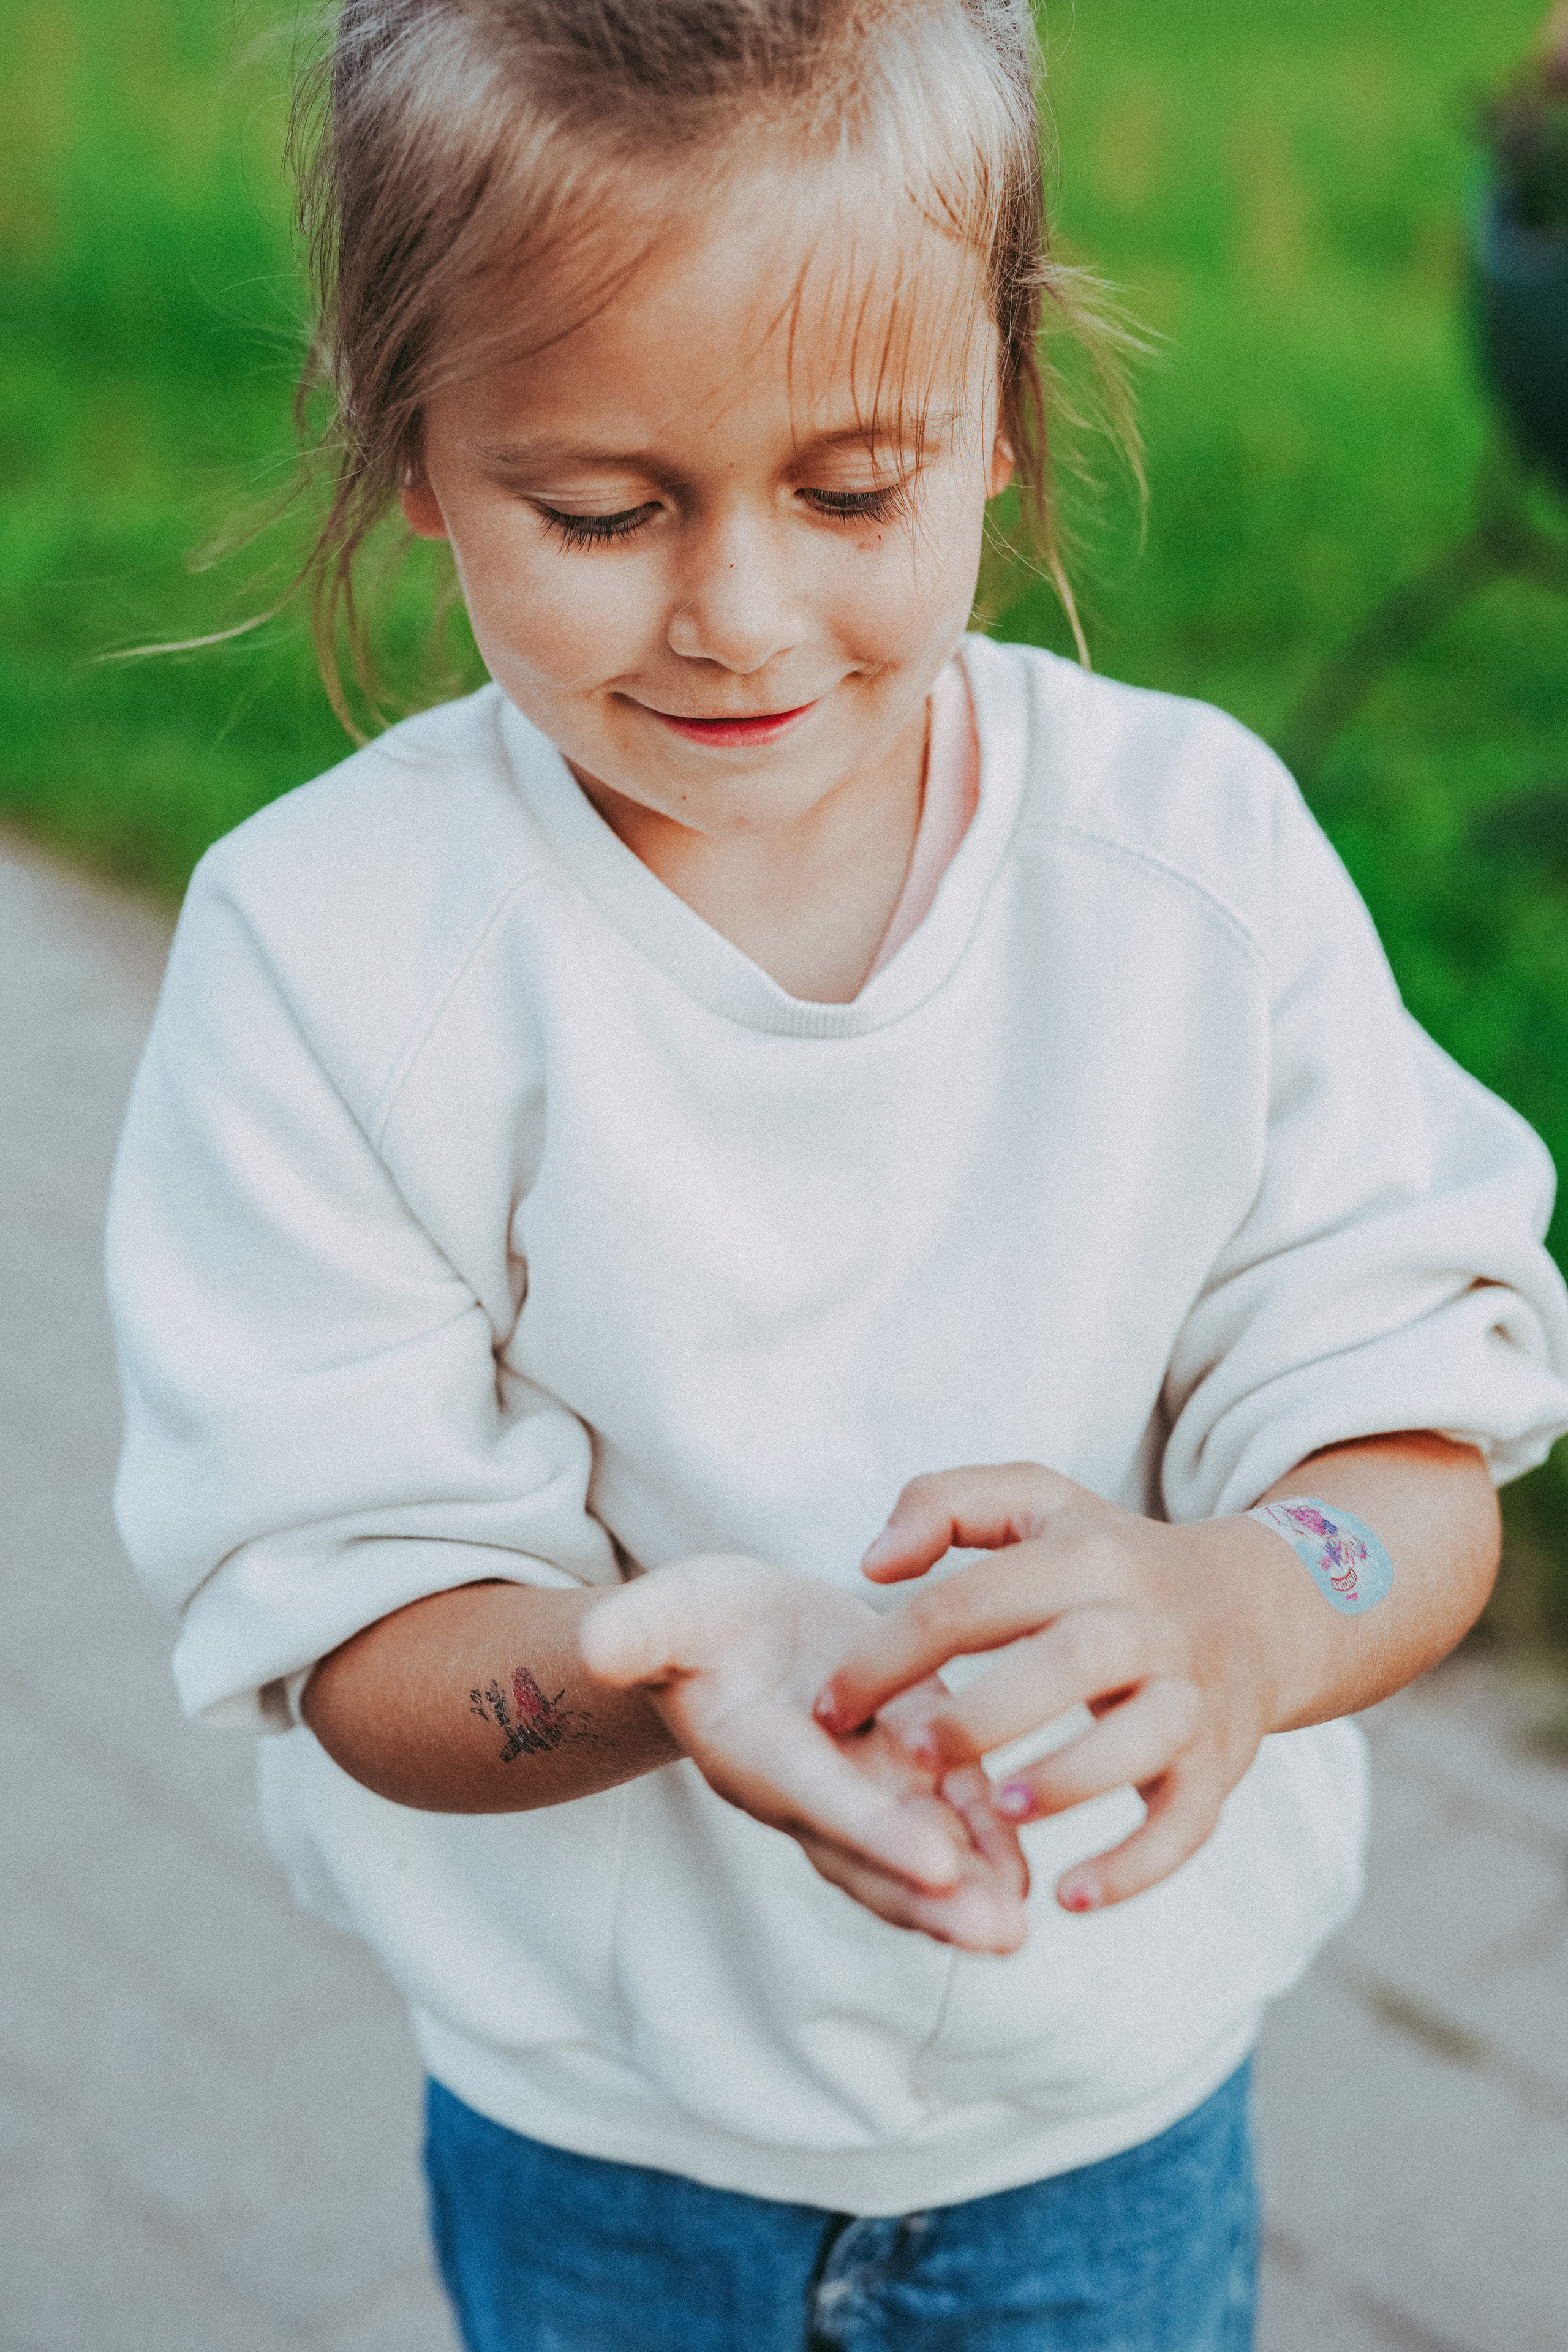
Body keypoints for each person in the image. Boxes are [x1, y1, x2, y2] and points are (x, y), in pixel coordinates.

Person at [105, 3, 1568, 2346]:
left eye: (856, 490)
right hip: (599, 2141)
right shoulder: (330, 956)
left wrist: (1246, 1606)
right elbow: (355, 1631)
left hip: (1108, 2121)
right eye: (600, 511)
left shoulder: (1190, 872)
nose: (742, 615)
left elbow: (1406, 1459)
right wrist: (652, 1662)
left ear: (999, 416)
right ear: (406, 445)